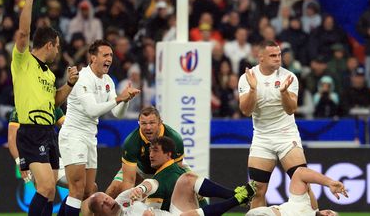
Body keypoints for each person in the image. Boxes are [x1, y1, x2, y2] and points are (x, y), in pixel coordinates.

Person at [10, 0, 79, 215]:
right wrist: (29, 1)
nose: (58, 51)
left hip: (49, 132)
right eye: (57, 46)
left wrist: (68, 85)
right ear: (48, 45)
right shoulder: (23, 61)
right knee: (47, 186)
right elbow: (23, 32)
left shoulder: (49, 74)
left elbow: (55, 103)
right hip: (31, 131)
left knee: (51, 192)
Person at [57, 39, 141, 216]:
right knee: (77, 190)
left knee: (88, 191)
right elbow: (92, 110)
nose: (109, 58)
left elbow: (118, 113)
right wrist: (119, 98)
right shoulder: (82, 78)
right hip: (74, 136)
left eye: (110, 55)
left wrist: (125, 100)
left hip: (90, 138)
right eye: (105, 55)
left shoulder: (107, 80)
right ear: (93, 58)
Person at [238, 40, 315, 209]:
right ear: (261, 58)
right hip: (262, 138)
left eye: (279, 55)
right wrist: (252, 90)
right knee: (257, 191)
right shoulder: (247, 78)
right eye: (273, 55)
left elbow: (291, 109)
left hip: (286, 135)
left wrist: (284, 93)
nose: (278, 58)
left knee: (304, 184)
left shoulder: (289, 77)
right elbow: (246, 110)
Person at [105, 107, 186, 199]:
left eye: (152, 123)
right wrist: (127, 206)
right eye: (143, 123)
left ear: (160, 122)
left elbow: (176, 173)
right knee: (113, 190)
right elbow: (128, 182)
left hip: (167, 168)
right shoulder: (131, 142)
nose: (148, 127)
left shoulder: (175, 138)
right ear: (139, 123)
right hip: (140, 168)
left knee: (191, 187)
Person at [86, 171, 255, 216]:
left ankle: (236, 195)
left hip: (172, 214)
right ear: (99, 214)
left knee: (187, 179)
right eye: (103, 204)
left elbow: (154, 183)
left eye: (106, 198)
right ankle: (236, 200)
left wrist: (142, 189)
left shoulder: (122, 199)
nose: (109, 201)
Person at [246, 167, 347, 216]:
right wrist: (329, 182)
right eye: (329, 212)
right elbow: (300, 173)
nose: (328, 215)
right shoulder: (310, 206)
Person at [7, 107, 67, 187]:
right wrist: (20, 162)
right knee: (46, 190)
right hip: (33, 157)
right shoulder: (20, 107)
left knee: (78, 186)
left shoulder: (52, 104)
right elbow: (12, 139)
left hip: (52, 155)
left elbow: (66, 125)